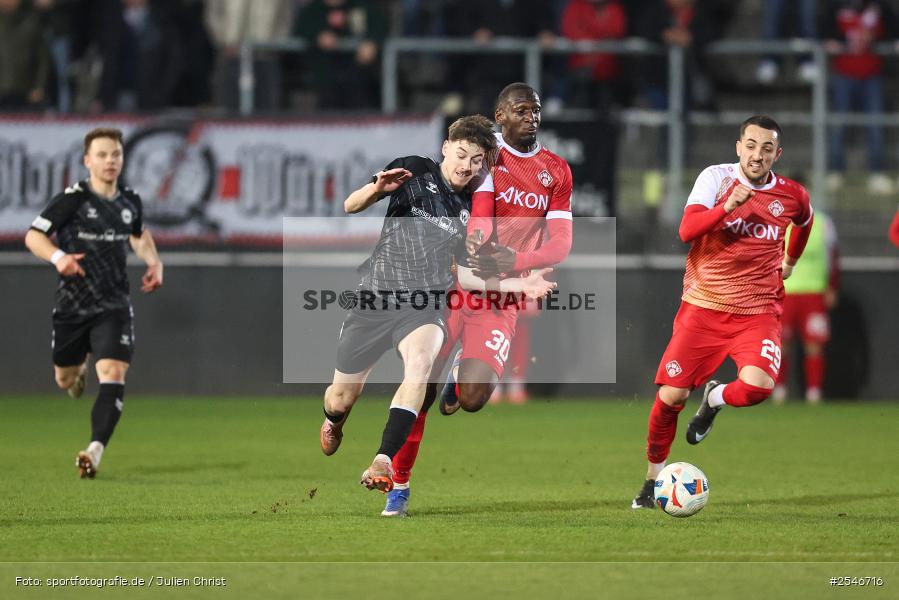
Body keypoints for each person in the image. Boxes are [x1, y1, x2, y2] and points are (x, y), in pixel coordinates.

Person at [318, 115, 555, 494]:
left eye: (477, 160)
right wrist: (376, 190)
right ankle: (334, 420)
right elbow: (350, 205)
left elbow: (466, 277)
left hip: (424, 306)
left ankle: (383, 460)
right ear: (445, 148)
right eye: (461, 155)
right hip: (375, 298)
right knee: (341, 396)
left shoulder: (474, 209)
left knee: (421, 366)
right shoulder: (413, 169)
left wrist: (520, 284)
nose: (467, 166)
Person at [383, 83, 574, 517]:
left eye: (536, 110)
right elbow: (478, 220)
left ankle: (458, 384)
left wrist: (518, 259)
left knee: (471, 398)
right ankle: (400, 483)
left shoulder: (557, 171)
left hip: (501, 299)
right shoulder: (486, 158)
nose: (531, 116)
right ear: (501, 115)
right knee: (420, 387)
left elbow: (561, 243)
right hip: (456, 287)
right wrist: (476, 248)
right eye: (521, 110)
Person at [631, 116, 814, 510]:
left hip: (758, 311)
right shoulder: (715, 179)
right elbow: (686, 230)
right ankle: (651, 480)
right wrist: (727, 208)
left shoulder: (792, 194)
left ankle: (714, 400)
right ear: (738, 146)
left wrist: (791, 260)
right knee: (670, 397)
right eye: (751, 145)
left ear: (777, 154)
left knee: (757, 389)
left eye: (766, 148)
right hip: (705, 307)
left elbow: (805, 220)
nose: (757, 154)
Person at [24, 127, 163, 479]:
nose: (110, 161)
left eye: (115, 154)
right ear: (87, 161)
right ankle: (77, 372)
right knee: (64, 379)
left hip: (113, 304)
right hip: (72, 306)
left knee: (114, 373)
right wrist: (59, 258)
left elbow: (139, 235)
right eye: (102, 155)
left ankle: (94, 451)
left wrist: (154, 261)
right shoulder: (72, 200)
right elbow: (32, 235)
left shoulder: (130, 201)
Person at [774, 211, 839, 404]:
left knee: (814, 344)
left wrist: (832, 286)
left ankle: (814, 392)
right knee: (781, 344)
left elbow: (833, 255)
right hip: (785, 292)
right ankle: (779, 390)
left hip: (814, 292)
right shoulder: (779, 221)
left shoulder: (823, 223)